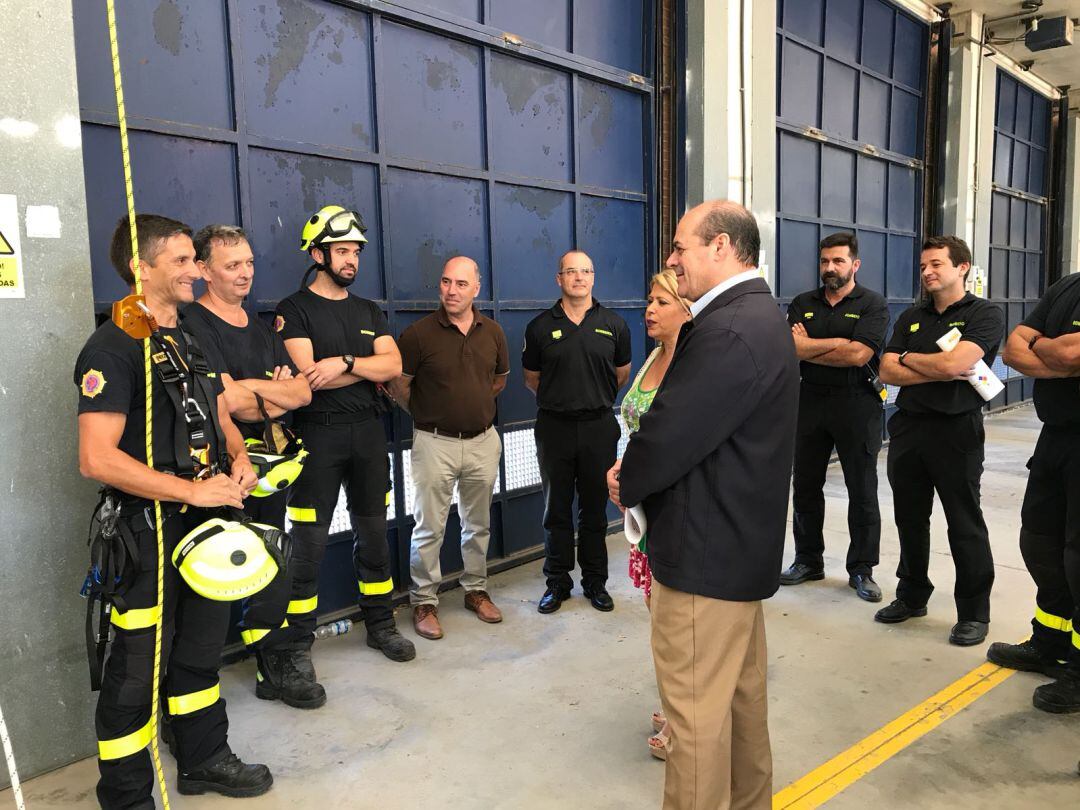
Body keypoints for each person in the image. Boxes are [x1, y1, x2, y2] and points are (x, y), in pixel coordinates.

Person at [76, 214, 272, 807]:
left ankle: (204, 759)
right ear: (143, 267)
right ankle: (128, 793)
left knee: (200, 648)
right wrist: (190, 491)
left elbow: (217, 417)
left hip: (203, 524)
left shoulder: (188, 340)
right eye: (183, 261)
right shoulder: (111, 348)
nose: (197, 271)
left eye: (195, 259)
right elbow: (95, 459)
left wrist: (239, 460)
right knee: (136, 669)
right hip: (146, 530)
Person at [608, 201, 799, 810]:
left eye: (679, 246)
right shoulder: (757, 317)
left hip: (703, 560)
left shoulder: (727, 330)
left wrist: (627, 482)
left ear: (721, 247)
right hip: (737, 553)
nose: (670, 259)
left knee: (693, 724)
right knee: (740, 712)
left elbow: (667, 433)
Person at [184, 224, 324, 709]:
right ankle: (192, 689)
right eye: (232, 265)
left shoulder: (263, 329)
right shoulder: (192, 327)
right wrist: (269, 393)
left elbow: (302, 391)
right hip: (216, 477)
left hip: (270, 472)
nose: (245, 274)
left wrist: (253, 391)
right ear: (203, 270)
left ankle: (273, 663)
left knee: (272, 563)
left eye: (249, 263)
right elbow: (227, 403)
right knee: (210, 576)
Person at [275, 205, 415, 681]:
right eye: (342, 251)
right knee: (308, 544)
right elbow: (308, 377)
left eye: (355, 251)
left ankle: (380, 625)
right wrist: (351, 366)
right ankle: (296, 646)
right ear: (317, 254)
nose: (351, 259)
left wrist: (345, 363)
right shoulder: (293, 310)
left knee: (374, 535)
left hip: (368, 435)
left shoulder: (368, 310)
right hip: (317, 436)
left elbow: (392, 366)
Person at [876, 236, 1004, 646]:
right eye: (923, 267)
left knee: (964, 523)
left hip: (956, 431)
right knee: (910, 519)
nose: (928, 272)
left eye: (936, 265)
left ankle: (973, 612)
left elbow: (956, 363)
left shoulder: (984, 314)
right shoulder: (912, 315)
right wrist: (926, 365)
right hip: (910, 429)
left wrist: (910, 360)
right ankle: (912, 595)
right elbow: (886, 370)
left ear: (962, 267)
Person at [389, 257, 509, 639]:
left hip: (482, 442)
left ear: (477, 288)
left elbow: (498, 382)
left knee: (478, 525)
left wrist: (469, 410)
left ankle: (476, 589)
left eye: (461, 283)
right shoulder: (418, 335)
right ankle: (424, 600)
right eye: (445, 282)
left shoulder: (493, 332)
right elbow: (399, 386)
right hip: (433, 443)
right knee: (429, 527)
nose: (452, 290)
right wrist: (430, 414)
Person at [987, 273, 1080, 712]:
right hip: (1056, 435)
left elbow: (1069, 350)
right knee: (1039, 542)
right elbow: (1012, 350)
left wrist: (1044, 346)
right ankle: (1050, 642)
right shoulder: (1069, 286)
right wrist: (1054, 355)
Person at [780, 232, 889, 602]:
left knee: (862, 488)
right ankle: (808, 560)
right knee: (806, 485)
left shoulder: (872, 304)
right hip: (809, 400)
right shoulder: (803, 302)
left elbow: (860, 356)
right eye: (825, 261)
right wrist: (838, 344)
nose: (830, 268)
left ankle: (861, 569)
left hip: (857, 402)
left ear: (854, 265)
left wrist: (811, 346)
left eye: (838, 261)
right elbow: (791, 350)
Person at [523, 249, 632, 614]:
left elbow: (621, 374)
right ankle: (557, 583)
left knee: (594, 511)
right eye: (571, 272)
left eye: (585, 271)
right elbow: (532, 379)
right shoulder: (539, 327)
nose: (579, 278)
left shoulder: (614, 324)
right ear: (559, 279)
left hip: (598, 427)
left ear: (593, 277)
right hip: (554, 428)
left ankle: (595, 583)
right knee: (556, 509)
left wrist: (590, 398)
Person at [618, 269, 692, 761]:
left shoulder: (690, 365)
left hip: (675, 513)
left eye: (661, 302)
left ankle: (688, 721)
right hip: (643, 513)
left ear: (687, 311)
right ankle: (674, 702)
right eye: (648, 300)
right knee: (659, 622)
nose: (649, 309)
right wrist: (620, 475)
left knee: (680, 626)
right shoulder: (652, 358)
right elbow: (632, 430)